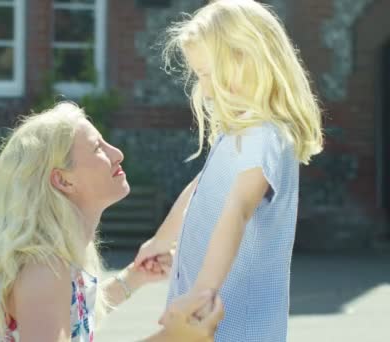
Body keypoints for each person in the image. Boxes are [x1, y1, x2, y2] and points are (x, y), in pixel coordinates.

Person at [0, 102, 223, 342]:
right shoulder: (44, 268)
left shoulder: (53, 257)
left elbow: (69, 312)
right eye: (97, 148)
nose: (117, 153)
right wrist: (171, 338)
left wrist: (133, 278)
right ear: (63, 180)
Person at [134, 1, 323, 341]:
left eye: (208, 74)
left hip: (236, 323)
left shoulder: (265, 136)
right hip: (207, 316)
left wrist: (204, 291)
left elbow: (237, 208)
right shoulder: (240, 132)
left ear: (246, 59)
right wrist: (161, 239)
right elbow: (201, 188)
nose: (204, 88)